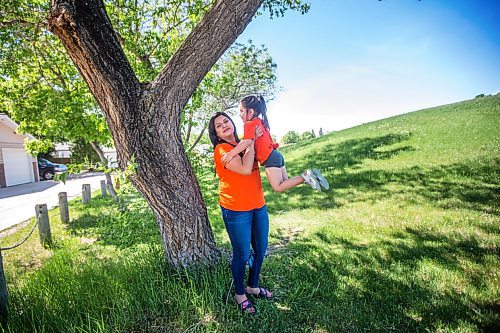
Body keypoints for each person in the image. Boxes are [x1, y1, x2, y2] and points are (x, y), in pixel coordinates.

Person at [208, 111, 273, 314]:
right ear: (217, 134)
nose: (224, 125)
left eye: (226, 121)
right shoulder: (222, 150)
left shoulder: (243, 143)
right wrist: (250, 140)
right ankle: (239, 293)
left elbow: (265, 156)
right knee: (242, 253)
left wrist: (257, 137)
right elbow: (245, 169)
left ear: (233, 124)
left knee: (261, 249)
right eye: (219, 125)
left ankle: (252, 286)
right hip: (236, 209)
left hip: (258, 204)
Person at [221, 94, 329, 192]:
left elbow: (246, 142)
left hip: (270, 157)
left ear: (251, 112)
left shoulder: (249, 124)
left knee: (278, 187)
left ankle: (306, 176)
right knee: (286, 182)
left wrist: (230, 154)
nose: (239, 115)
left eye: (241, 111)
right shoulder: (260, 122)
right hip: (276, 155)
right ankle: (314, 176)